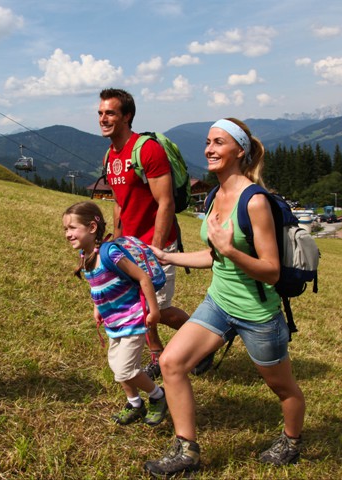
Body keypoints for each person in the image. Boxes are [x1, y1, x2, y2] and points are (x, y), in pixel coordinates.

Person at [143, 119, 306, 477]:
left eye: (219, 142)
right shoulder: (215, 195)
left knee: (283, 388)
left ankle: (291, 440)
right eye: (207, 142)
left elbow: (271, 271)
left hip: (258, 314)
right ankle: (186, 450)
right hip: (219, 303)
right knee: (171, 363)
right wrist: (170, 257)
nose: (209, 149)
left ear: (240, 151)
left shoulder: (255, 201)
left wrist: (230, 250)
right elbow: (213, 256)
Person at [98, 88, 213, 380]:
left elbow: (166, 202)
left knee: (157, 309)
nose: (103, 118)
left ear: (127, 116)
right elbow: (119, 203)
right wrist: (115, 242)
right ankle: (158, 357)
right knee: (138, 308)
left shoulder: (147, 149)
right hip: (128, 246)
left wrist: (155, 249)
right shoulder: (110, 156)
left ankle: (204, 343)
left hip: (156, 243)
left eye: (110, 113)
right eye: (100, 113)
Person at [63, 201, 168, 426]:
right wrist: (97, 308)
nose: (68, 234)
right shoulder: (86, 254)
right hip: (114, 322)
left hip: (133, 319)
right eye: (65, 229)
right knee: (116, 365)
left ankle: (159, 396)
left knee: (125, 369)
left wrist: (154, 311)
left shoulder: (110, 253)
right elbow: (96, 285)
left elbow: (143, 278)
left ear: (92, 228)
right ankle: (135, 403)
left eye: (72, 228)